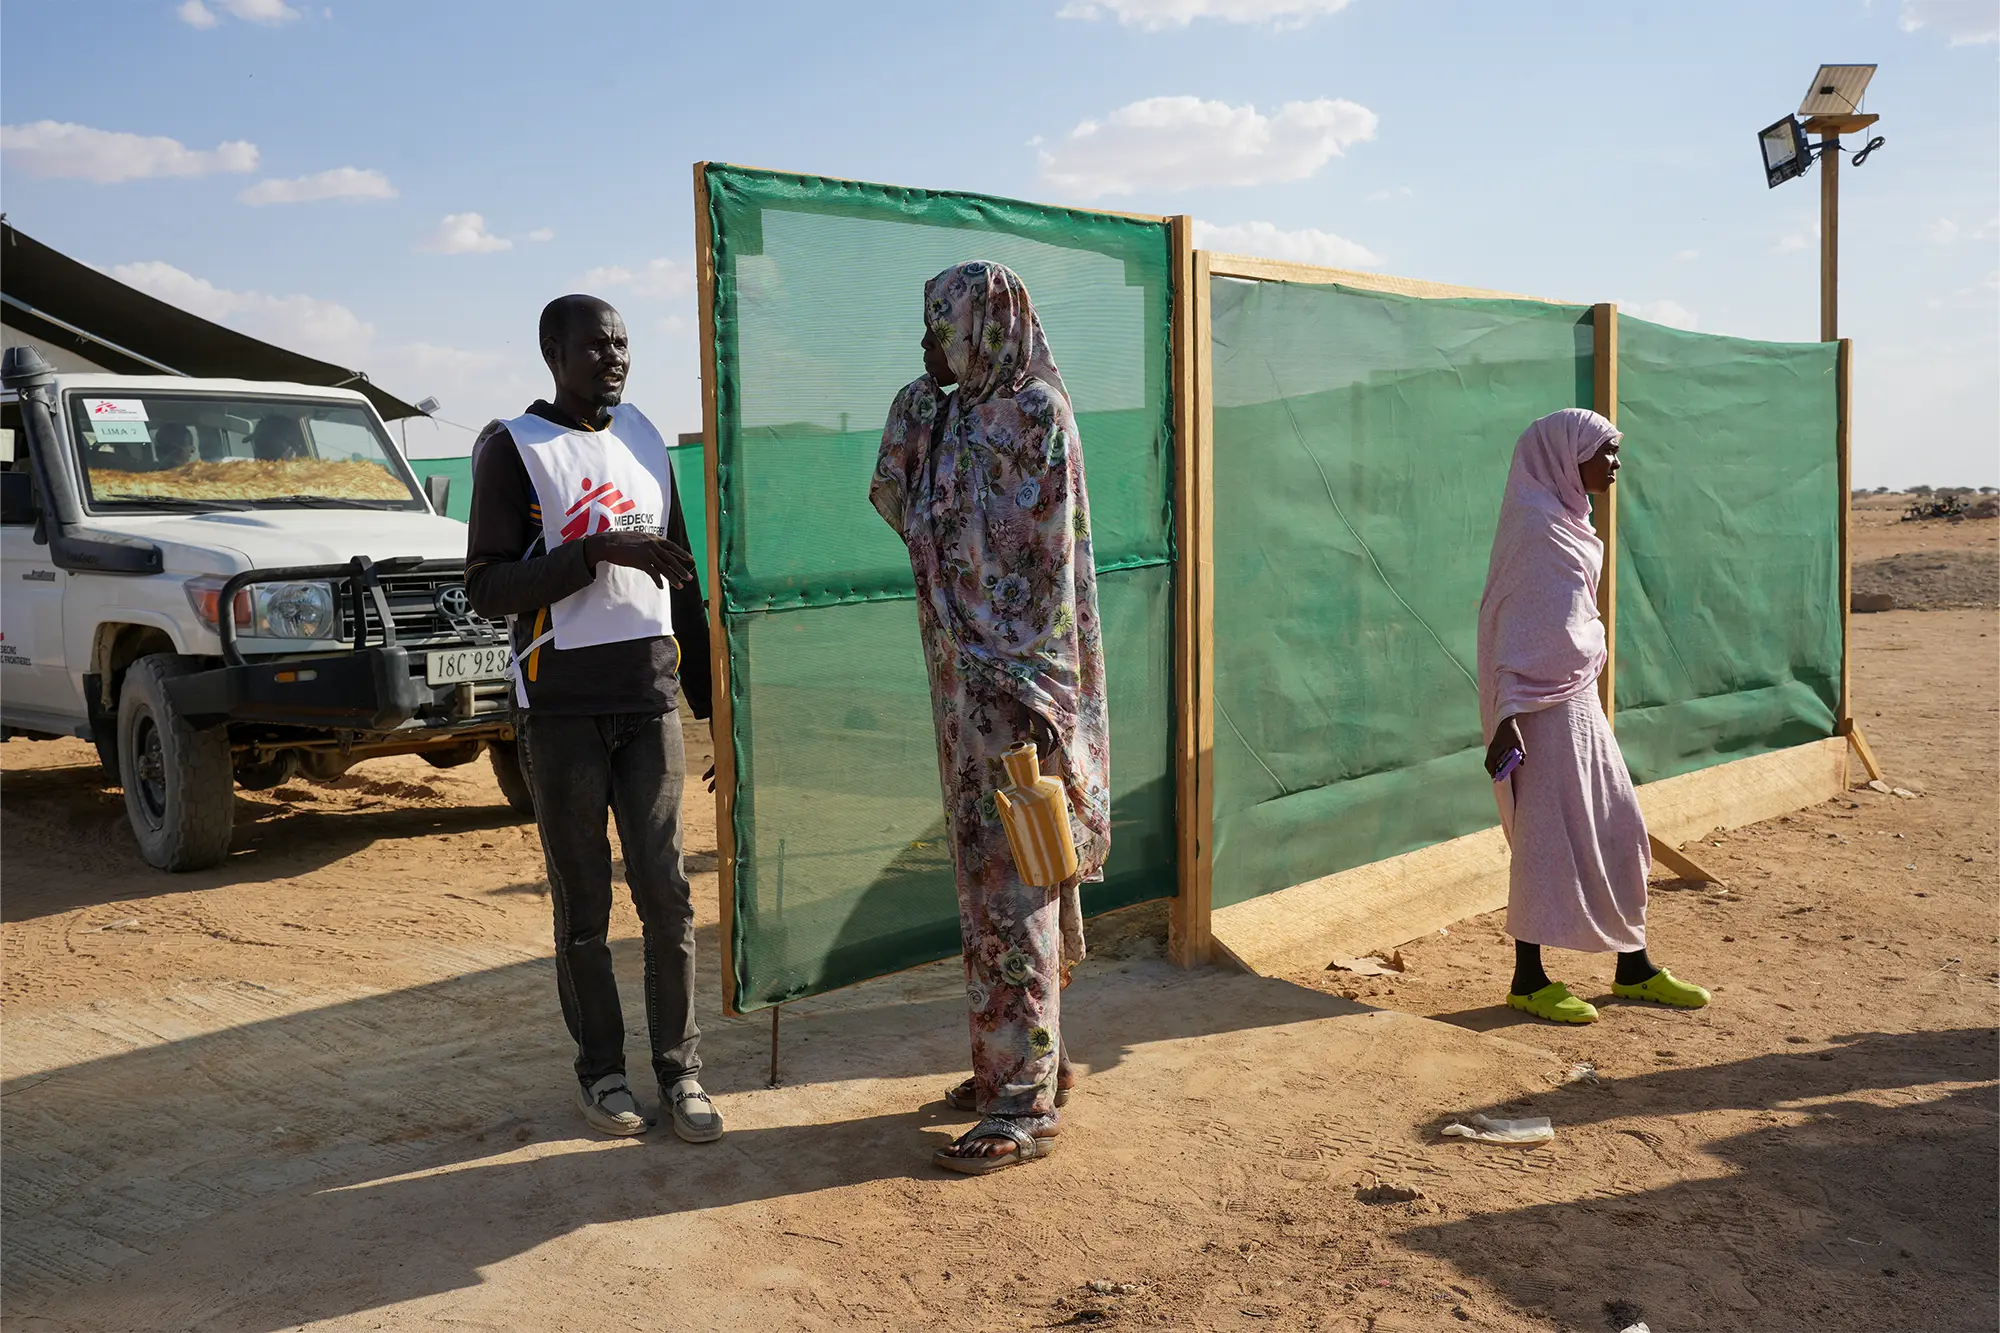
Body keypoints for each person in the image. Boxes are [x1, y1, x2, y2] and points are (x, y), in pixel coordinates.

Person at [871, 261, 1110, 1175]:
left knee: (1018, 889)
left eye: (940, 327)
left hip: (1019, 694)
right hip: (960, 698)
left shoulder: (1038, 417)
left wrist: (1036, 693)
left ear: (984, 328)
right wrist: (918, 400)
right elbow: (903, 506)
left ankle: (1022, 1105)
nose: (926, 344)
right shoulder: (944, 417)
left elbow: (1053, 569)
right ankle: (1021, 1061)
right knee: (987, 890)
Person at [465, 294, 722, 1142]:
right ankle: (603, 1072)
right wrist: (597, 550)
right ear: (553, 352)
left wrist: (716, 711)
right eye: (595, 345)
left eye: (622, 343)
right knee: (583, 908)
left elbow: (682, 580)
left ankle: (681, 1071)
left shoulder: (646, 439)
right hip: (561, 711)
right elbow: (486, 586)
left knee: (667, 897)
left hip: (647, 702)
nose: (614, 357)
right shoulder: (515, 448)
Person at [1477, 408, 1710, 1024]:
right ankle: (1528, 980)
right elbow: (1515, 622)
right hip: (1536, 706)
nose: (1615, 463)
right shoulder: (1535, 526)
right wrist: (1509, 711)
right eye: (1604, 451)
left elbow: (1568, 617)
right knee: (1544, 839)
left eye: (1614, 450)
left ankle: (1634, 967)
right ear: (1563, 456)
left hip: (1575, 697)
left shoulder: (1568, 520)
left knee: (1618, 825)